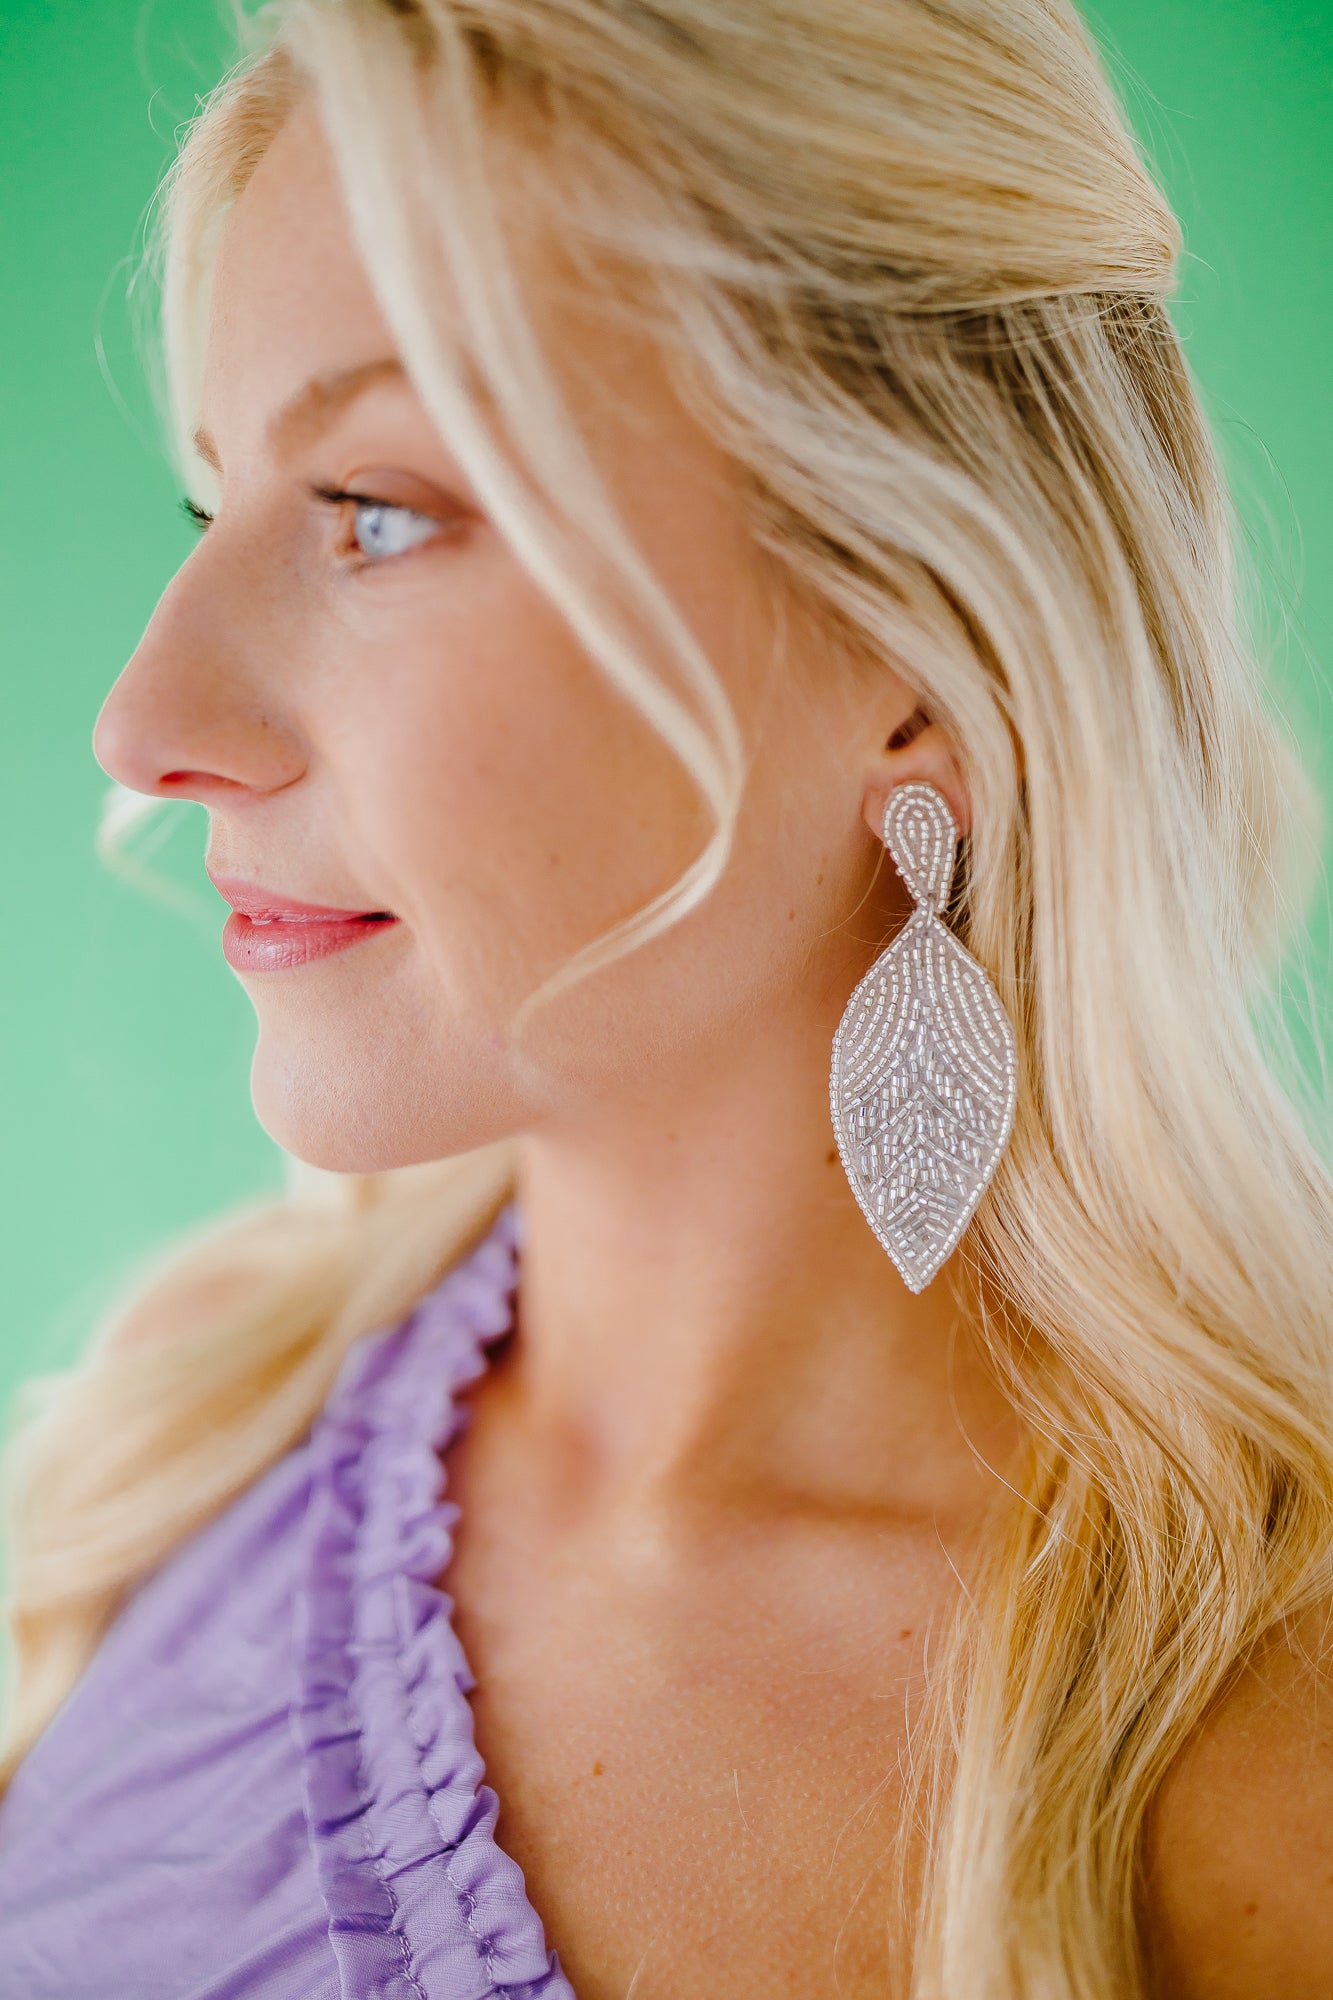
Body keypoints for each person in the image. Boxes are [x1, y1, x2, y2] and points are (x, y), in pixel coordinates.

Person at [2, 1, 1331, 1994]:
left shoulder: (1257, 1779)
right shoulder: (196, 1431)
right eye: (217, 509)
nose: (146, 722)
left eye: (376, 509)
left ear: (914, 643)